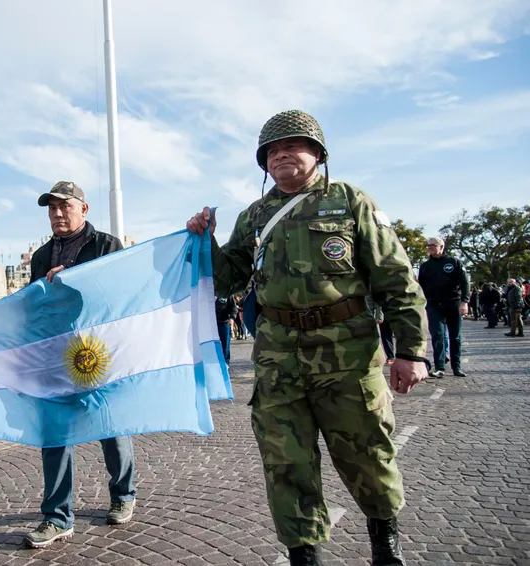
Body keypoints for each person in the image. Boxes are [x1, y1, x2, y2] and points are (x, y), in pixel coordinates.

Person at [186, 110, 428, 566]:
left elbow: (395, 279)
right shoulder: (254, 215)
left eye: (292, 145)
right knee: (286, 464)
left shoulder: (350, 200)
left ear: (318, 153)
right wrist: (207, 243)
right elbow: (230, 279)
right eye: (272, 150)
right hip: (278, 357)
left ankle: (385, 544)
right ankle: (304, 556)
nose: (281, 155)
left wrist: (412, 352)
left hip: (348, 355)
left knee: (367, 455)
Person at [23, 181, 137, 549]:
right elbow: (35, 306)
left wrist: (73, 280)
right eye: (51, 208)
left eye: (65, 206)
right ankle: (57, 517)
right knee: (55, 434)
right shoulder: (40, 256)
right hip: (56, 354)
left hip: (98, 353)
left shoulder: (106, 245)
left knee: (110, 426)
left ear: (83, 209)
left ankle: (123, 493)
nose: (57, 213)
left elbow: (120, 295)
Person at [418, 237, 469, 378]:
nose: (429, 247)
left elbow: (465, 283)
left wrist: (465, 302)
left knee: (455, 337)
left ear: (441, 247)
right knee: (437, 336)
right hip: (434, 305)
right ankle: (440, 367)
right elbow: (420, 288)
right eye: (428, 245)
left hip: (453, 303)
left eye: (433, 245)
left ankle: (456, 367)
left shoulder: (454, 262)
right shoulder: (425, 266)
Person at [215, 295, 238, 368]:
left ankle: (225, 363)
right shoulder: (207, 292)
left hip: (224, 322)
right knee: (212, 344)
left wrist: (232, 318)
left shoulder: (227, 293)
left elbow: (233, 308)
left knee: (225, 344)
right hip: (211, 323)